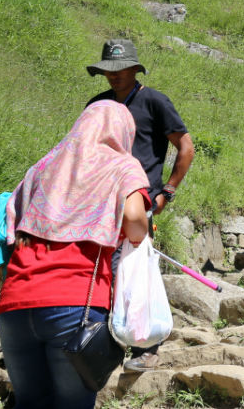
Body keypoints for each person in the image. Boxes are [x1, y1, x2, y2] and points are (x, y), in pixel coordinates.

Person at [0, 100, 151, 408]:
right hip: (74, 304)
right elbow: (135, 221)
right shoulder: (120, 165)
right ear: (123, 132)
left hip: (14, 302)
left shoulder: (46, 164)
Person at [85, 37, 194, 374]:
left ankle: (147, 345)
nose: (113, 76)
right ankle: (108, 340)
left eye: (120, 70)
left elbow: (186, 147)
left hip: (139, 199)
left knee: (132, 268)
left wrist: (168, 191)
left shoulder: (154, 102)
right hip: (101, 200)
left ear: (135, 69)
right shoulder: (99, 105)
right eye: (108, 71)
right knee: (103, 266)